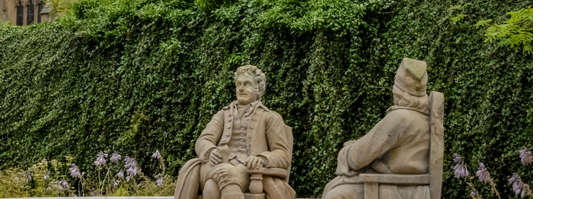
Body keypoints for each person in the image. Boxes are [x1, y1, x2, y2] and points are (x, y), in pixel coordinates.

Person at [174, 65, 295, 199]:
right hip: (215, 166)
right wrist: (210, 150)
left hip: (247, 170)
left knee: (211, 188)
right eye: (238, 84)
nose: (241, 88)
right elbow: (203, 140)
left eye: (247, 84)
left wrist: (262, 158)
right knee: (226, 170)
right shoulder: (223, 114)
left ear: (258, 89)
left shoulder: (270, 117)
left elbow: (283, 154)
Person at [322, 58, 432, 199]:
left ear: (398, 90)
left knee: (336, 195)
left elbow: (358, 158)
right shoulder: (423, 118)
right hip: (411, 188)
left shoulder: (400, 118)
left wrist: (347, 151)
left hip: (390, 188)